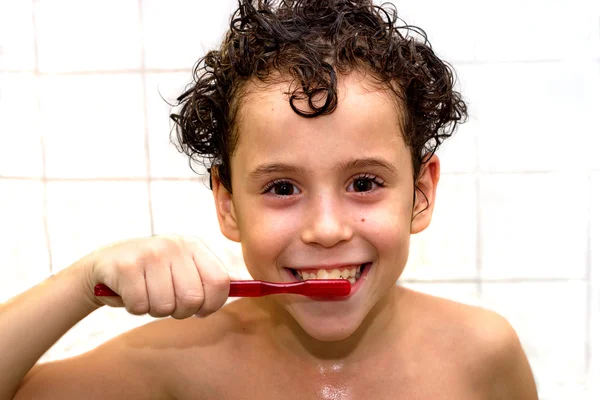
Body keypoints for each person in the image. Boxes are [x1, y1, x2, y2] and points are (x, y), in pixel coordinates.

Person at [1, 0, 538, 398]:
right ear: (228, 204)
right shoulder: (179, 364)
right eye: (282, 188)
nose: (327, 229)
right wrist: (82, 284)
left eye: (364, 183)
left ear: (420, 192)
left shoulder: (482, 354)